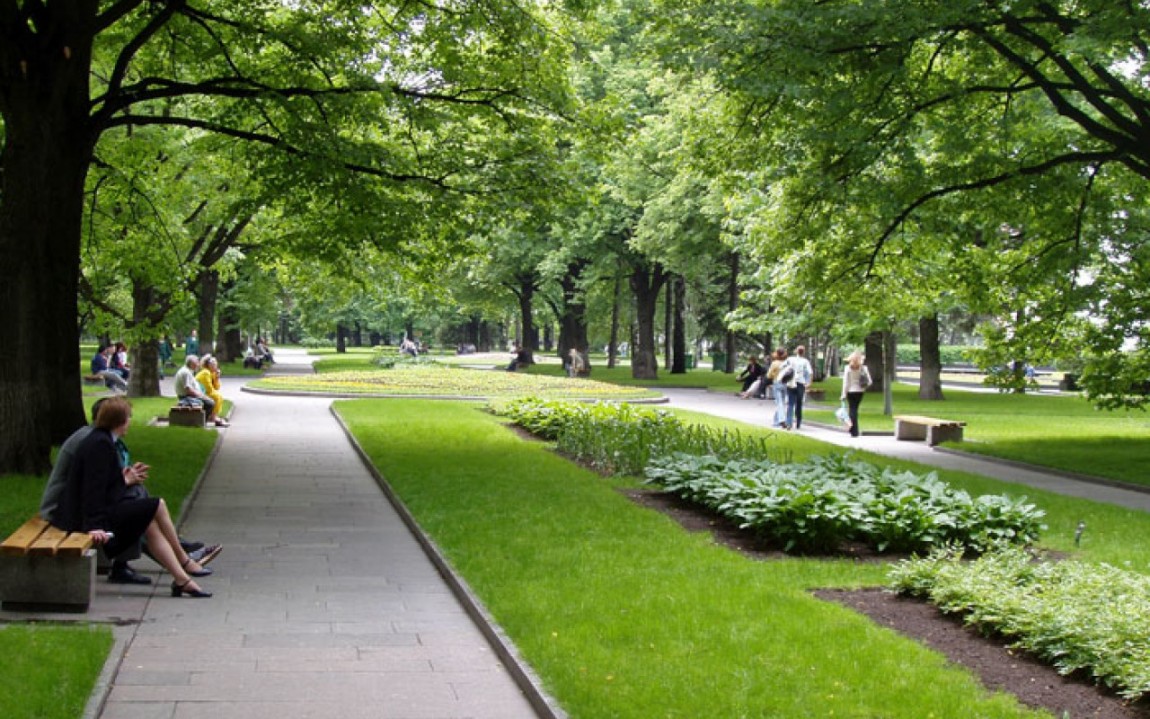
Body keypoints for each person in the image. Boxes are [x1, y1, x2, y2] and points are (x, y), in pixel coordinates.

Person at [40, 398, 222, 584]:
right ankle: (180, 559)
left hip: (78, 505)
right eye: (128, 418)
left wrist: (125, 479)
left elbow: (100, 480)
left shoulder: (98, 437)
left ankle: (181, 569)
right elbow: (92, 489)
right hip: (67, 509)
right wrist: (96, 523)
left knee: (144, 506)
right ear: (117, 420)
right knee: (146, 508)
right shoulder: (96, 442)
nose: (130, 423)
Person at [840, 351, 873, 438]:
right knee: (855, 410)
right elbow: (869, 381)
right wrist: (863, 387)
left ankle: (853, 430)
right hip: (860, 392)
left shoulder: (848, 368)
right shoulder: (863, 368)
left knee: (852, 410)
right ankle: (854, 431)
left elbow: (845, 382)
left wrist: (843, 394)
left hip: (850, 391)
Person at [174, 354, 216, 421]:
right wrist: (200, 395)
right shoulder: (186, 373)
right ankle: (202, 421)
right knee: (210, 403)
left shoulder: (187, 371)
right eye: (197, 363)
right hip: (186, 397)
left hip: (189, 396)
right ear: (192, 364)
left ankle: (203, 420)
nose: (198, 365)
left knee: (209, 401)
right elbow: (188, 390)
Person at [784, 345, 814, 430]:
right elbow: (810, 372)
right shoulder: (805, 361)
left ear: (796, 351)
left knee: (790, 403)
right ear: (803, 352)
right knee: (799, 403)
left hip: (791, 383)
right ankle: (798, 422)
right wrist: (809, 383)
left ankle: (789, 423)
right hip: (800, 384)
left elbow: (782, 367)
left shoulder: (790, 359)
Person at [195, 354, 229, 427]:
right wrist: (215, 392)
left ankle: (214, 416)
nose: (215, 366)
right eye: (213, 364)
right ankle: (214, 417)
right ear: (208, 365)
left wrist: (217, 378)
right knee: (217, 397)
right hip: (199, 393)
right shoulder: (205, 372)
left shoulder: (211, 373)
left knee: (218, 397)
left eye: (216, 364)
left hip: (203, 392)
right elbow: (209, 389)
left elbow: (216, 387)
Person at [766, 348, 788, 428]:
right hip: (785, 383)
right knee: (781, 402)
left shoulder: (775, 363)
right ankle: (776, 422)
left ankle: (782, 420)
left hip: (777, 382)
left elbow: (769, 375)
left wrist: (773, 375)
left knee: (779, 403)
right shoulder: (787, 363)